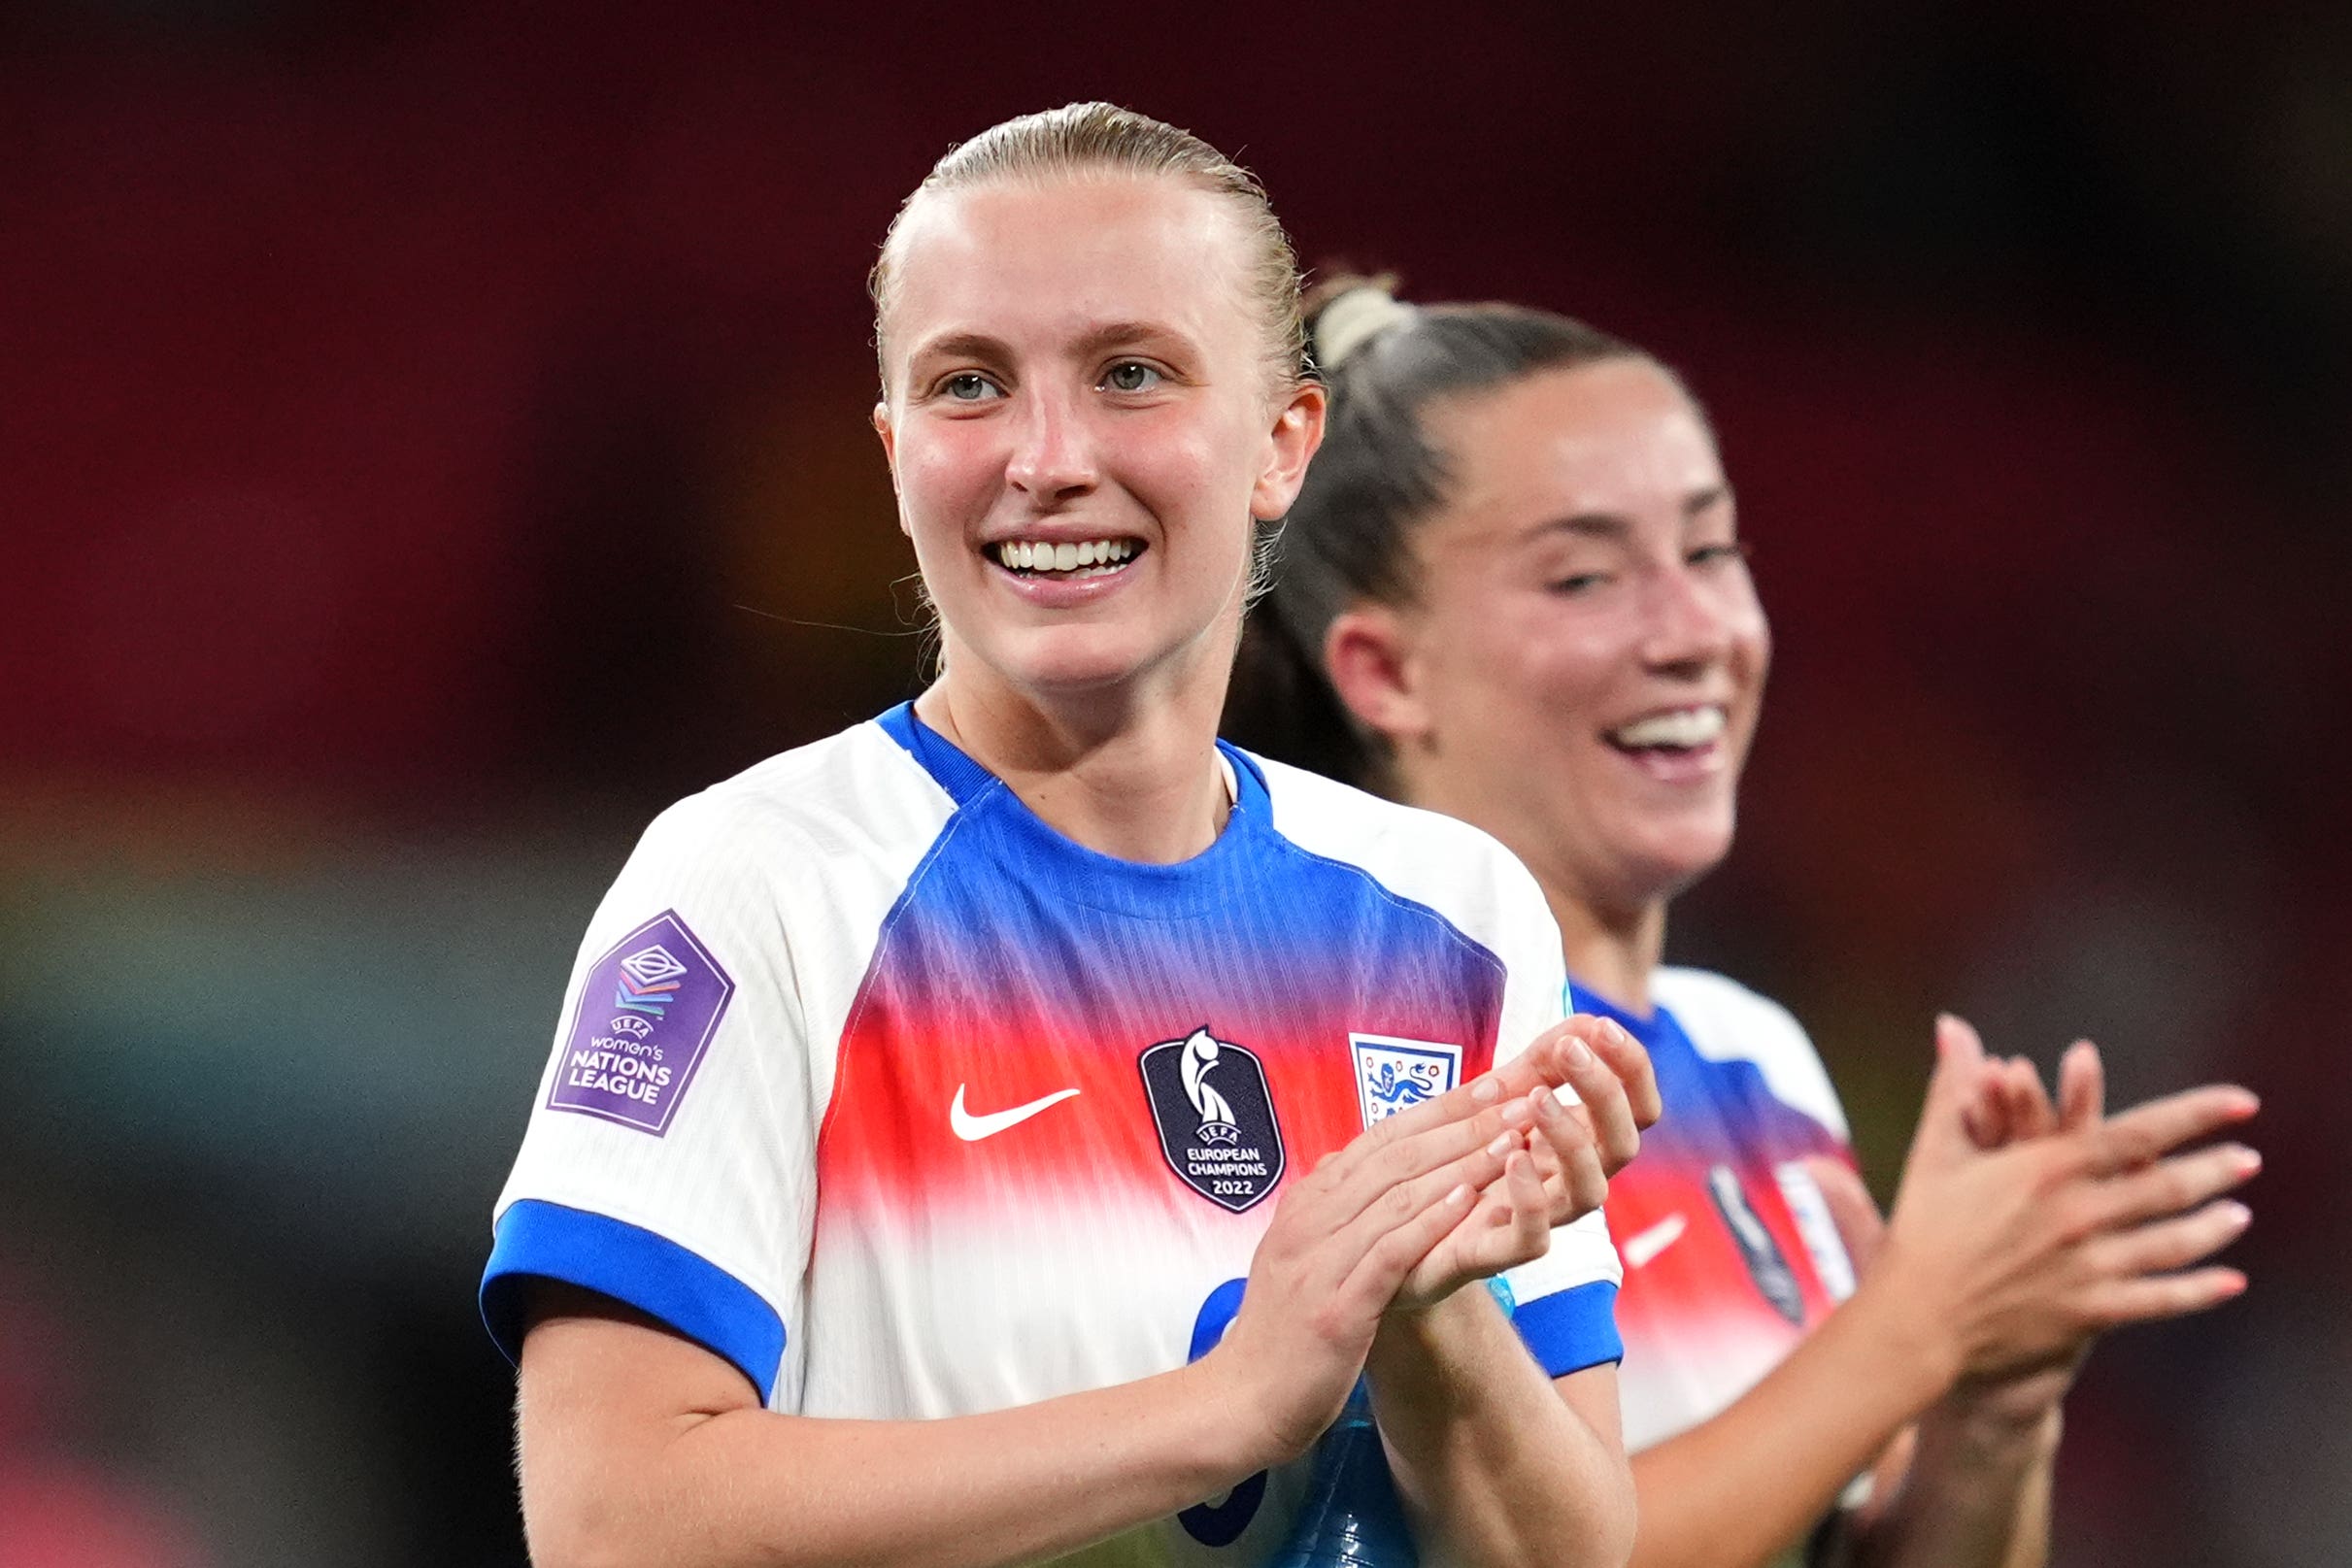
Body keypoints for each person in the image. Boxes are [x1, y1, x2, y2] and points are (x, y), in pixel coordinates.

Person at [477, 108, 1663, 1568]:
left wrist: (1421, 1307)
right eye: (968, 384)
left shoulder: (1455, 913)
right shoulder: (760, 886)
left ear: (1283, 441)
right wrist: (1224, 1409)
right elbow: (615, 1521)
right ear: (897, 450)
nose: (1046, 458)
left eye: (1130, 375)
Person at [1230, 278, 2262, 1568]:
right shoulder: (1370, 1058)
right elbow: (1519, 1553)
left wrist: (1988, 1406)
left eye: (1709, 552)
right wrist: (1915, 1323)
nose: (1693, 632)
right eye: (1585, 576)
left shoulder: (1750, 1056)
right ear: (1387, 672)